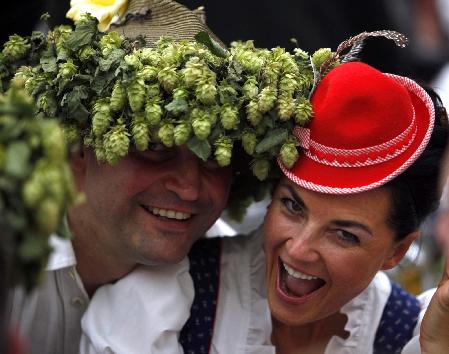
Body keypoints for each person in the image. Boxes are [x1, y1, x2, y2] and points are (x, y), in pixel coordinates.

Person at [79, 60, 449, 353]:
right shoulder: (158, 303)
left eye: (343, 234)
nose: (299, 250)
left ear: (397, 251)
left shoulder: (411, 335)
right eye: (292, 206)